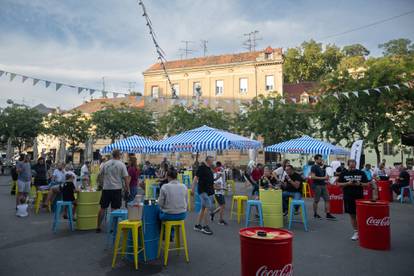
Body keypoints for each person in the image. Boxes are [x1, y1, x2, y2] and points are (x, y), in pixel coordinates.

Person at [96, 149, 130, 233]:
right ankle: (112, 227)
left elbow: (100, 175)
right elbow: (126, 178)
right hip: (116, 189)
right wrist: (127, 188)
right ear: (119, 155)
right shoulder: (121, 164)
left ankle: (98, 226)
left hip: (106, 188)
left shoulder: (105, 164)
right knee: (114, 209)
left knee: (102, 208)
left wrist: (100, 184)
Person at [337, 159, 369, 241]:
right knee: (352, 215)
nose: (352, 167)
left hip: (359, 197)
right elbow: (338, 184)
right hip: (348, 196)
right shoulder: (344, 173)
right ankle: (356, 232)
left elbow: (367, 184)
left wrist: (360, 184)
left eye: (354, 166)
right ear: (348, 165)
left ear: (355, 165)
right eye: (351, 166)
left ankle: (364, 231)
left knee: (361, 215)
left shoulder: (361, 173)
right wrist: (347, 183)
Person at [192, 156, 215, 235]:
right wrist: (192, 189)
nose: (213, 162)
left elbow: (209, 180)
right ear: (208, 160)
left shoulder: (208, 168)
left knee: (203, 208)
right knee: (208, 207)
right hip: (203, 191)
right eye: (212, 160)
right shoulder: (202, 167)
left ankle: (197, 225)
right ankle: (205, 226)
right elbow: (195, 178)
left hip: (207, 191)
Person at [310, 154, 336, 220]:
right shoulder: (314, 167)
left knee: (327, 199)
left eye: (321, 159)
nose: (321, 160)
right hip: (316, 185)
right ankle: (315, 214)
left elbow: (329, 171)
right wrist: (323, 178)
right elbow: (312, 176)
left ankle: (328, 214)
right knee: (316, 200)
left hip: (323, 185)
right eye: (319, 159)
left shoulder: (323, 167)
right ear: (315, 160)